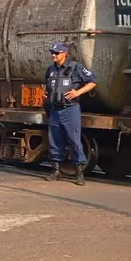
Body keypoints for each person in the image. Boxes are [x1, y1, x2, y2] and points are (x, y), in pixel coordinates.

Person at [43, 42, 97, 185]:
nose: (53, 55)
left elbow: (92, 81)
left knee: (74, 140)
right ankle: (56, 171)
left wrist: (78, 92)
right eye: (52, 53)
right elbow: (46, 85)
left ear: (64, 53)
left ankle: (79, 173)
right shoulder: (50, 70)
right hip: (55, 110)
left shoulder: (75, 67)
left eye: (56, 53)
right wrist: (47, 96)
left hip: (70, 109)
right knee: (55, 140)